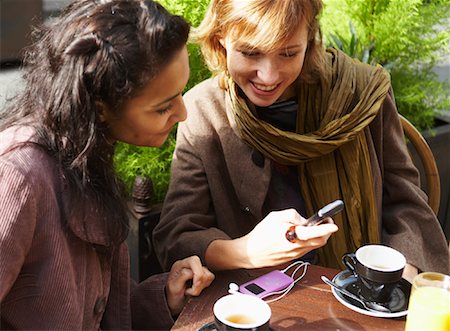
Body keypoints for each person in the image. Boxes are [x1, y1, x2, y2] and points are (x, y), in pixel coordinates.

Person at [153, 0, 449, 280]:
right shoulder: (203, 111)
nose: (268, 76)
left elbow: (406, 203)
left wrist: (403, 273)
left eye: (288, 53)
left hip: (359, 289)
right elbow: (177, 235)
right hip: (253, 298)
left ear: (310, 42)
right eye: (250, 53)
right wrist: (244, 252)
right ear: (220, 42)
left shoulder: (361, 94)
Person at [0, 0, 215, 329]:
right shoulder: (18, 175)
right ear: (100, 107)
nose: (183, 114)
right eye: (162, 107)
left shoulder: (88, 151)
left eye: (181, 93)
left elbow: (99, 312)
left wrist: (166, 296)